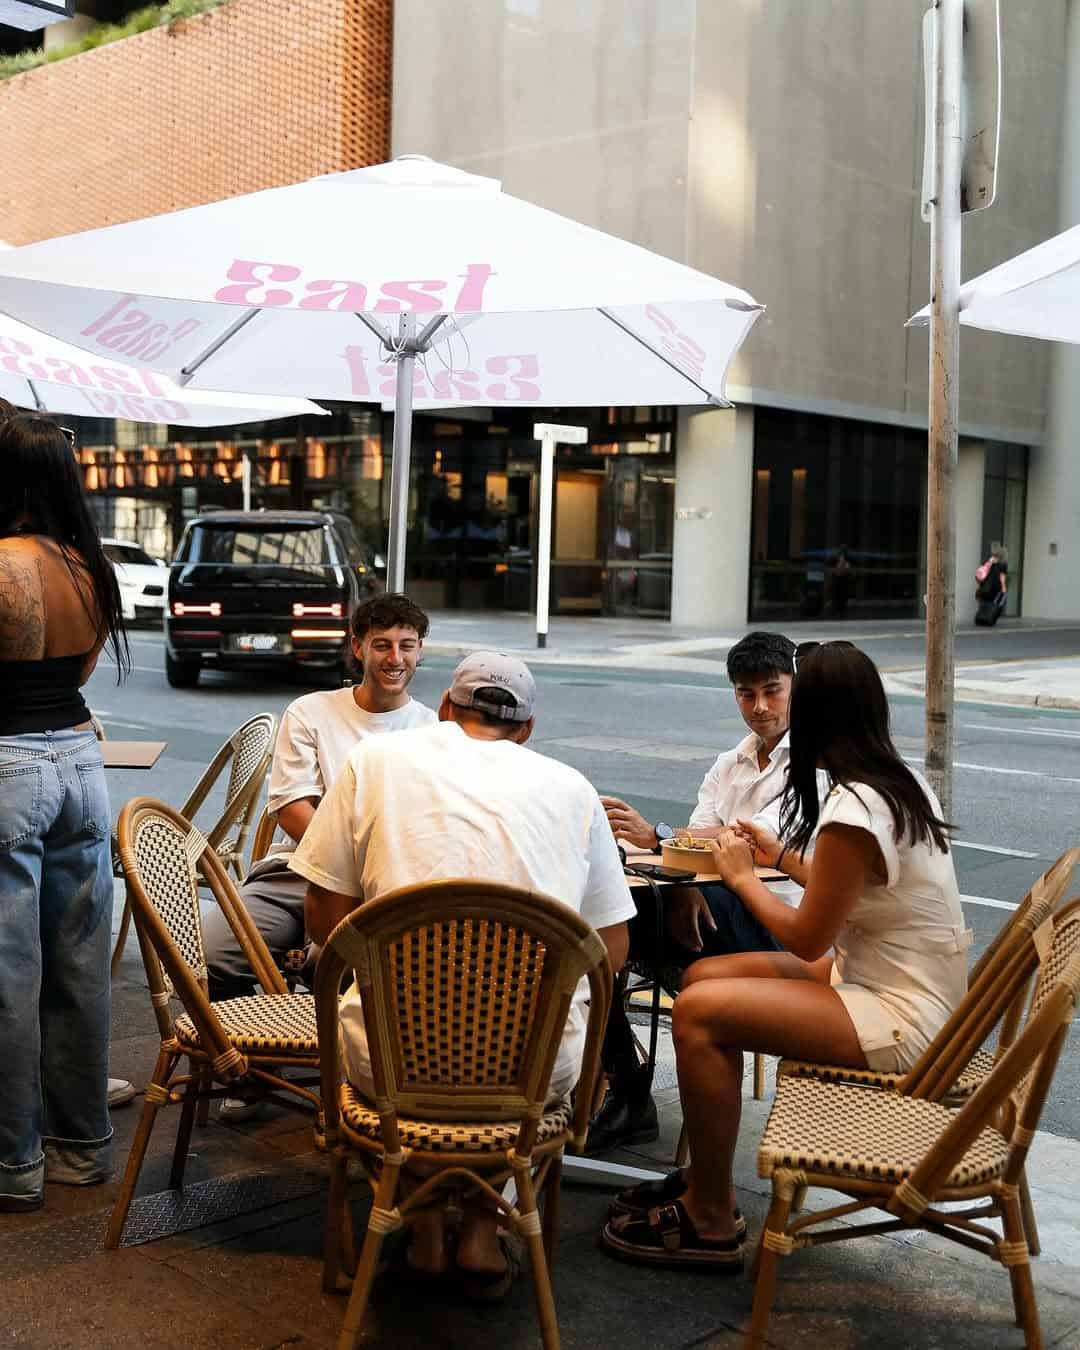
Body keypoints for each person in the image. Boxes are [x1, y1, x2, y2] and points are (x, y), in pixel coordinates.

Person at [601, 641, 970, 1272]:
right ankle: (702, 1181)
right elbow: (845, 888)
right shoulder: (891, 782)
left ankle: (711, 1215)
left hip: (900, 1012)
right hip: (890, 979)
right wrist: (777, 858)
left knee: (699, 1010)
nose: (770, 706)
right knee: (703, 974)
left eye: (785, 692)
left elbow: (807, 937)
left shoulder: (855, 807)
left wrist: (744, 878)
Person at [290, 651, 634, 1297]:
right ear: (527, 729)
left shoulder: (373, 763)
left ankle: (418, 1225)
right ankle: (480, 1230)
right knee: (531, 1043)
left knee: (390, 1032)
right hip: (527, 1080)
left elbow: (324, 918)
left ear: (446, 710)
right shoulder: (574, 788)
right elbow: (610, 950)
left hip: (389, 1067)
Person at [591, 631, 827, 1154]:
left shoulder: (813, 764)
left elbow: (749, 845)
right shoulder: (731, 761)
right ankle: (624, 1083)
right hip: (714, 906)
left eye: (772, 691)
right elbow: (699, 848)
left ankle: (628, 1093)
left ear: (796, 688)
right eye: (747, 694)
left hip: (772, 925)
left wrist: (663, 840)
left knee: (610, 926)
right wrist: (679, 886)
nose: (760, 707)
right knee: (596, 928)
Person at [202, 593, 435, 1116]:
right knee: (217, 951)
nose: (394, 658)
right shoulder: (311, 711)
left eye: (406, 646)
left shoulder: (432, 730)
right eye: (381, 645)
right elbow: (291, 809)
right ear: (357, 648)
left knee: (375, 964)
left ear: (420, 653)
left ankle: (365, 1081)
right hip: (297, 869)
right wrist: (345, 867)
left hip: (389, 881)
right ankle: (256, 1071)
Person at [0, 408, 130, 1212]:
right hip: (81, 760)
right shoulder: (90, 565)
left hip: (7, 764)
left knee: (8, 976)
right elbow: (77, 670)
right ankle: (81, 1148)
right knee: (81, 965)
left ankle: (14, 1162)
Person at [975, 541, 1008, 624]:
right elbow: (1002, 578)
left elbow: (982, 574)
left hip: (985, 586)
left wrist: (979, 586)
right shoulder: (1003, 564)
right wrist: (1004, 590)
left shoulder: (989, 561)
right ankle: (988, 619)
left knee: (984, 604)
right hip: (995, 587)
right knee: (993, 604)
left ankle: (981, 619)